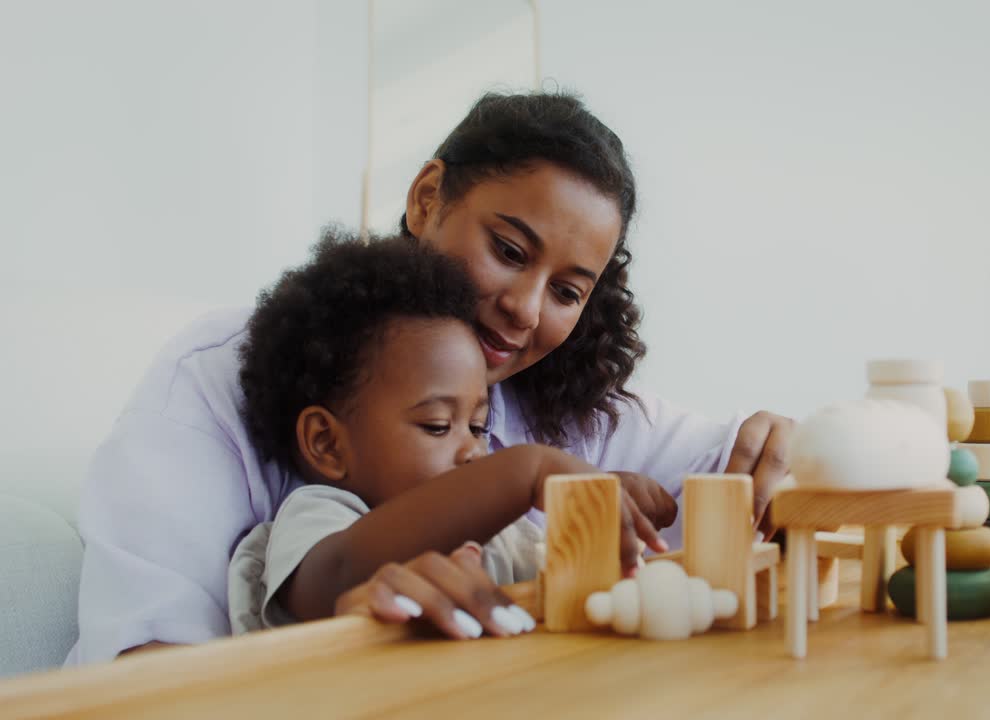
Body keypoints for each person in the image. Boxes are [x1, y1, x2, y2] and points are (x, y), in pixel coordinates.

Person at [68, 91, 795, 665]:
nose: (523, 309)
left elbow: (737, 463)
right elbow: (150, 666)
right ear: (425, 199)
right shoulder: (223, 384)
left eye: (569, 292)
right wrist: (524, 474)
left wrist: (784, 451)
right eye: (509, 249)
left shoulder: (537, 396)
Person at [227, 230, 665, 639]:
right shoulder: (322, 517)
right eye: (438, 425)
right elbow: (334, 581)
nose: (475, 453)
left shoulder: (502, 541)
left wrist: (601, 519)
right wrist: (524, 470)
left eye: (477, 427)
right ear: (327, 442)